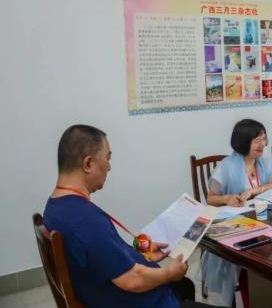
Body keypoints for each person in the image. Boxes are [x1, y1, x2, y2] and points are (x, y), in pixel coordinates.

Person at [43, 125, 212, 308]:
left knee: (184, 286)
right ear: (88, 164)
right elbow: (132, 280)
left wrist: (142, 252)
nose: (109, 167)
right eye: (107, 158)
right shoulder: (84, 219)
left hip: (114, 294)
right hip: (145, 301)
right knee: (181, 284)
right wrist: (169, 273)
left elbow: (99, 256)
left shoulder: (55, 208)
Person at [201, 119, 272, 306]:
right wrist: (227, 199)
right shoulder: (226, 166)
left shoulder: (263, 163)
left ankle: (269, 292)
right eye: (257, 141)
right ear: (243, 142)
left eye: (264, 139)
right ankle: (252, 291)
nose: (262, 145)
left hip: (262, 219)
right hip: (237, 224)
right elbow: (210, 198)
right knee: (254, 257)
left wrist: (253, 191)